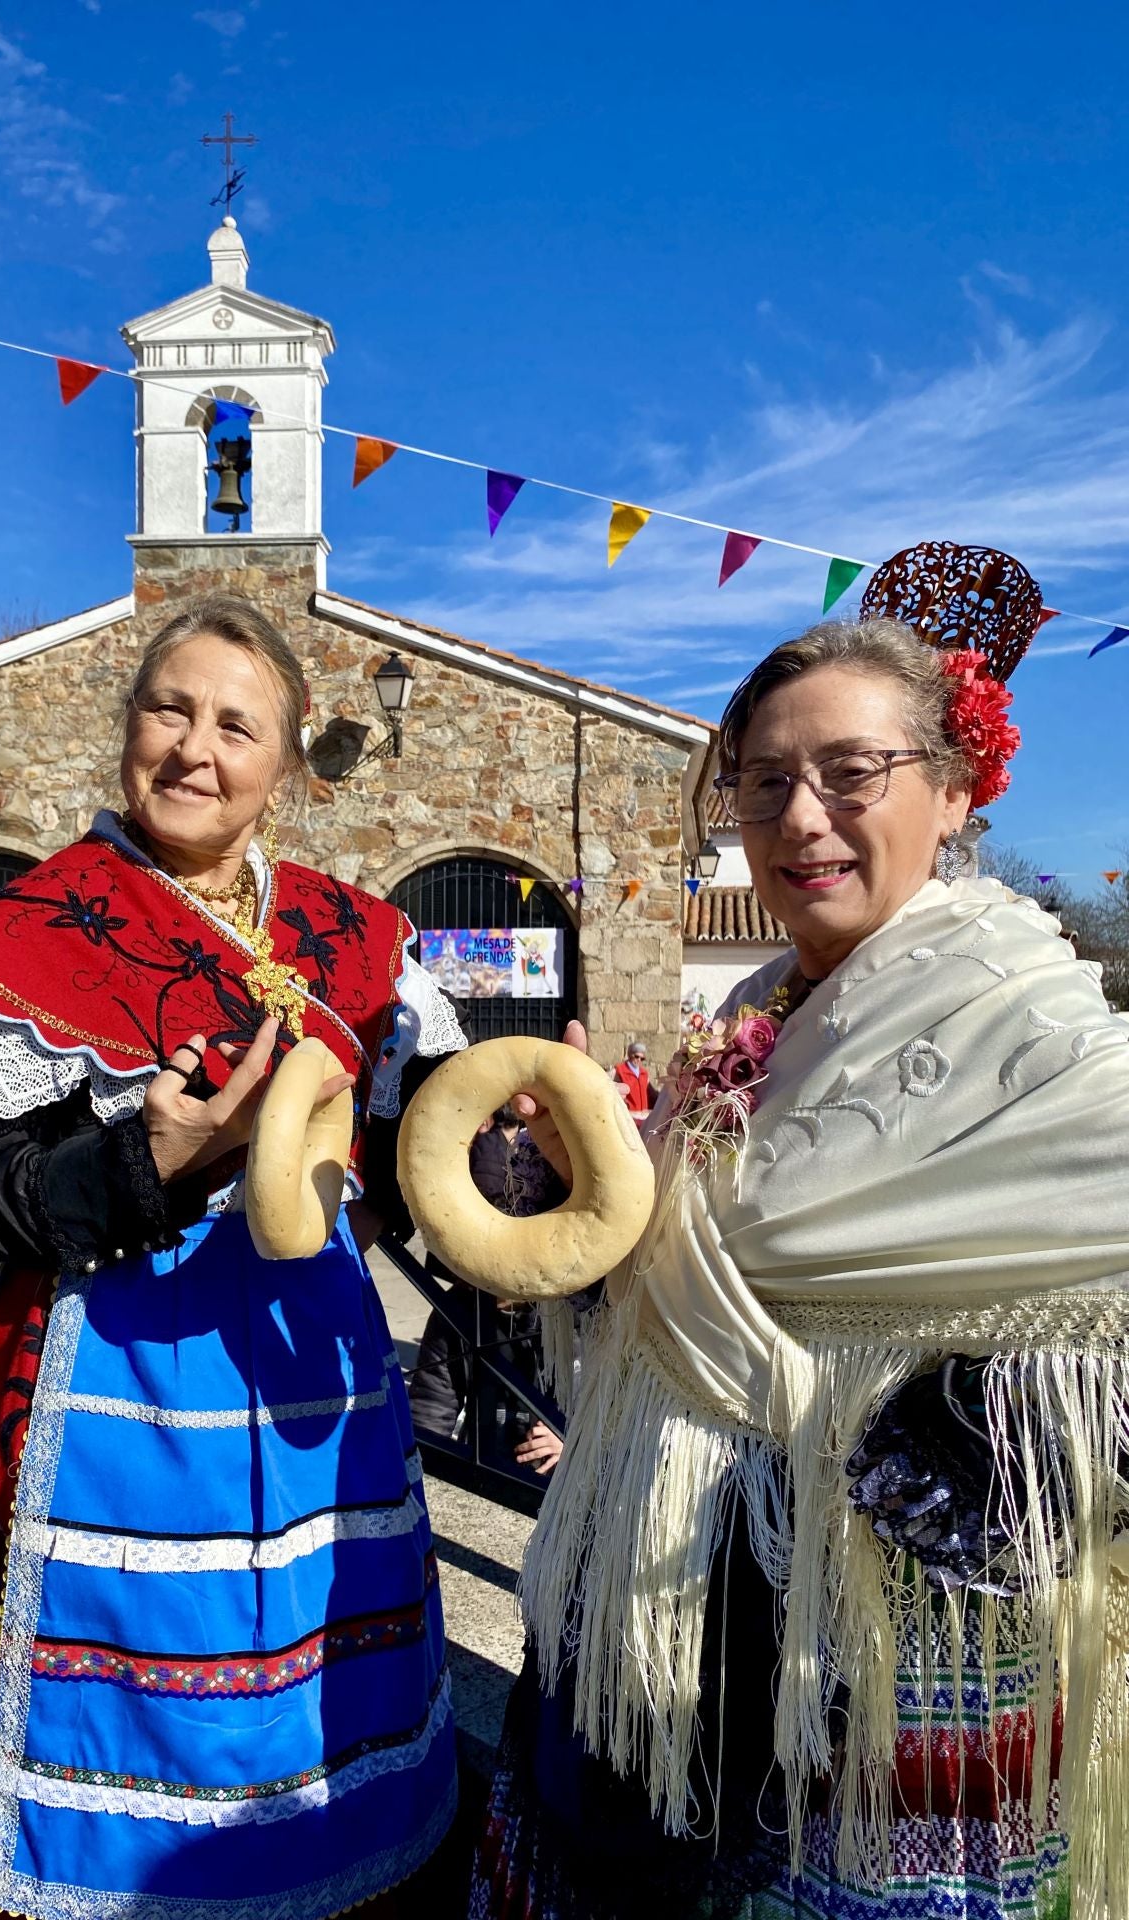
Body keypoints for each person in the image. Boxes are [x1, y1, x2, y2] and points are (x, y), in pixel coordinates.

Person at [469, 597, 1129, 1920]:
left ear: (953, 792)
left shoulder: (1040, 1035)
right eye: (766, 782)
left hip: (892, 1658)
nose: (802, 818)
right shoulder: (760, 1017)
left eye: (851, 773)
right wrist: (569, 1181)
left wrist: (993, 1436)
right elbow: (684, 1264)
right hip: (664, 1618)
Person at [0, 596, 468, 1920]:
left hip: (317, 1405)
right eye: (170, 709)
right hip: (106, 1411)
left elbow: (408, 1167)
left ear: (282, 763)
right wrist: (145, 1165)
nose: (196, 748)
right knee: (113, 1758)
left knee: (320, 1743)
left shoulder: (355, 942)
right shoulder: (30, 937)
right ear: (127, 729)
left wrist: (508, 1148)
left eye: (238, 724)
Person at [409, 1106, 564, 1475]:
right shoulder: (458, 1310)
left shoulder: (570, 1316)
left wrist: (571, 1438)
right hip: (485, 1466)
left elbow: (604, 1399)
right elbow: (431, 1406)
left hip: (562, 1479)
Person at [609, 1040, 654, 1125]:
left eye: (642, 1058)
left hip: (642, 1116)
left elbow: (651, 1093)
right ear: (630, 1055)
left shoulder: (644, 1073)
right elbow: (607, 1083)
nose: (639, 1060)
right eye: (637, 1056)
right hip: (628, 1116)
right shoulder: (619, 1070)